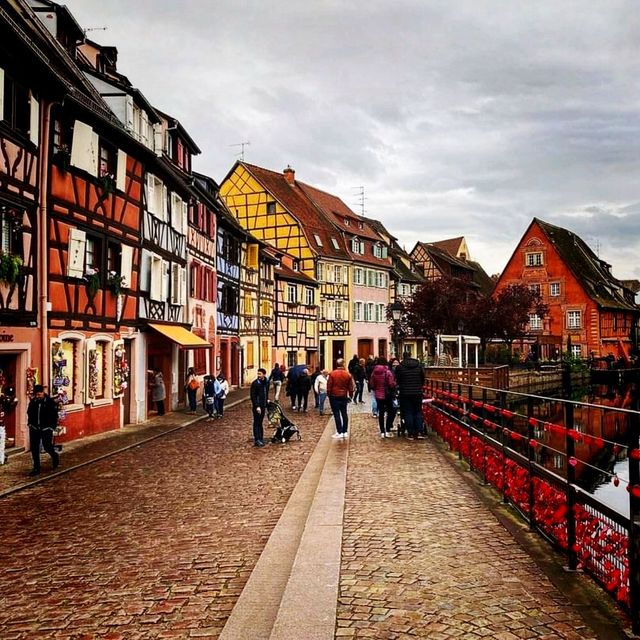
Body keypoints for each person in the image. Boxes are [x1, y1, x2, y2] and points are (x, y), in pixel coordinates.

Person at [26, 384, 59, 476]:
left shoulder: (50, 402)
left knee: (47, 446)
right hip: (34, 428)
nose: (38, 396)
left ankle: (54, 455)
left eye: (39, 394)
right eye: (36, 395)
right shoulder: (33, 402)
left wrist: (51, 427)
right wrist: (30, 424)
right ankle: (36, 468)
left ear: (43, 393)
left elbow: (54, 416)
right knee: (34, 448)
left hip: (46, 428)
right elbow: (29, 413)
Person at [394, 352, 426, 439]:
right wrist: (419, 386)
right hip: (417, 392)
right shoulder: (419, 366)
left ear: (403, 357)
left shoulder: (400, 367)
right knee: (418, 411)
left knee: (408, 412)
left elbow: (397, 379)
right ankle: (419, 431)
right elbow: (423, 378)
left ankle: (411, 433)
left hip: (405, 392)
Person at [369, 357, 397, 437]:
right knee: (390, 411)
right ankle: (387, 430)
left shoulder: (374, 372)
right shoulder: (387, 372)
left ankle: (382, 432)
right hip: (387, 395)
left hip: (378, 395)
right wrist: (394, 384)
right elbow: (391, 384)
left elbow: (372, 384)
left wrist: (377, 388)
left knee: (381, 413)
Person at [327, 358, 354, 439]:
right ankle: (345, 431)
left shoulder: (332, 374)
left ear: (336, 364)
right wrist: (351, 396)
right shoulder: (348, 374)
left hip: (334, 395)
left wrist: (329, 395)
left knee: (336, 414)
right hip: (343, 395)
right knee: (344, 413)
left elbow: (329, 386)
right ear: (343, 364)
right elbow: (351, 387)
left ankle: (339, 431)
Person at [250, 368, 268, 447]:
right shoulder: (255, 383)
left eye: (260, 374)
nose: (258, 375)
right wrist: (256, 406)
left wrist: (266, 400)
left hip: (263, 405)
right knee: (256, 422)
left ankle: (261, 438)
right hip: (257, 406)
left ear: (264, 374)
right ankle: (257, 439)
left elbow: (265, 393)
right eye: (258, 374)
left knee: (260, 423)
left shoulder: (265, 383)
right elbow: (253, 396)